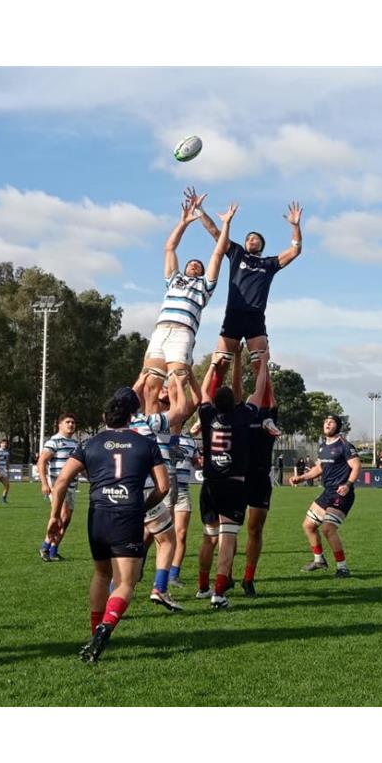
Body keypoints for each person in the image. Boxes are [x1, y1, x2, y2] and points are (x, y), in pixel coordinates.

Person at [50, 391, 169, 664]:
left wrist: (55, 517)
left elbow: (61, 482)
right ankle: (106, 627)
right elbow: (163, 486)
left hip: (98, 514)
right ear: (130, 417)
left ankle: (94, 633)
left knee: (101, 575)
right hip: (128, 514)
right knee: (126, 582)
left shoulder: (89, 444)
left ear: (104, 418)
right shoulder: (145, 443)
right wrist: (142, 507)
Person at [186, 186, 302, 366]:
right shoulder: (237, 253)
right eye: (248, 238)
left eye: (255, 238)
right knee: (220, 363)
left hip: (255, 316)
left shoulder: (269, 263)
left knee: (259, 363)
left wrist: (295, 226)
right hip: (233, 313)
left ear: (262, 244)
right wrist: (200, 210)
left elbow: (295, 250)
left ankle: (261, 395)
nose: (250, 239)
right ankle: (210, 395)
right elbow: (215, 233)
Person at [194, 340, 271, 609]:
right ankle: (218, 593)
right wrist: (263, 363)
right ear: (236, 402)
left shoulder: (206, 416)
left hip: (209, 485)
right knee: (227, 539)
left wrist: (216, 364)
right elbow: (258, 390)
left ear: (215, 402)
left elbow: (204, 390)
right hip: (233, 486)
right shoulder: (243, 416)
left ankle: (202, 587)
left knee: (208, 538)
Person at [137, 195, 227, 413]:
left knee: (177, 385)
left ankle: (174, 438)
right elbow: (170, 248)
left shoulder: (204, 286)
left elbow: (218, 253)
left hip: (182, 333)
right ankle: (152, 431)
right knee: (150, 386)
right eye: (191, 263)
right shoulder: (173, 280)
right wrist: (184, 223)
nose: (195, 265)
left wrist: (225, 225)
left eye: (198, 264)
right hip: (161, 330)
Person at [130, 370, 195, 611]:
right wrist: (177, 380)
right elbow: (179, 406)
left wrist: (143, 377)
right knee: (163, 537)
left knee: (145, 535)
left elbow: (145, 394)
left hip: (136, 481)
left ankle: (122, 582)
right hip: (160, 481)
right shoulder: (156, 422)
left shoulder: (133, 422)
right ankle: (159, 587)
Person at [290, 415, 361, 578]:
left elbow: (357, 466)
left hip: (341, 493)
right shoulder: (322, 447)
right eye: (326, 421)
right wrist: (301, 478)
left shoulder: (345, 445)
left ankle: (342, 567)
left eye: (332, 422)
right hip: (327, 492)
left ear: (338, 426)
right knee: (308, 525)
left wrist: (347, 484)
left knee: (328, 528)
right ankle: (319, 560)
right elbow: (319, 468)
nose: (327, 423)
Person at [236, 349, 281, 596]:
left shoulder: (269, 415)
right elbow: (239, 389)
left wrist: (263, 364)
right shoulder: (241, 413)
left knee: (255, 529)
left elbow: (268, 392)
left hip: (260, 478)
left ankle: (248, 578)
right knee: (229, 531)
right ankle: (224, 574)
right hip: (237, 478)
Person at [38, 414, 80, 562]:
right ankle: (45, 547)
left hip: (72, 486)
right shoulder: (54, 441)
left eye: (73, 422)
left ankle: (52, 550)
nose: (71, 425)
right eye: (67, 422)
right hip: (58, 485)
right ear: (60, 425)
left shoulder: (76, 443)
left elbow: (80, 466)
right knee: (62, 515)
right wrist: (44, 483)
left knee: (66, 520)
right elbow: (42, 462)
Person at [168, 413, 202, 589]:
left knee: (180, 534)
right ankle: (139, 567)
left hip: (182, 491)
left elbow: (197, 463)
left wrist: (201, 461)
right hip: (163, 491)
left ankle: (173, 574)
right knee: (155, 534)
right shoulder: (162, 437)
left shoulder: (190, 441)